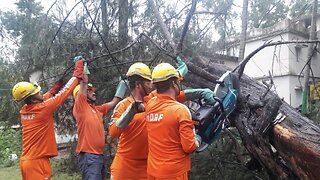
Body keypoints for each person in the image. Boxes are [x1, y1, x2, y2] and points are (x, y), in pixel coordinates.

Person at [11, 58, 85, 180]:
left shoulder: (25, 109)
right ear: (34, 99)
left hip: (30, 161)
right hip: (36, 163)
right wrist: (77, 74)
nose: (41, 93)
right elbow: (64, 93)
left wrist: (55, 87)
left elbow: (45, 98)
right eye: (38, 92)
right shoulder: (42, 109)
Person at [145, 62, 213, 180]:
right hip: (174, 173)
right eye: (178, 80)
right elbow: (190, 147)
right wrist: (197, 137)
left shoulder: (150, 105)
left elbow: (161, 95)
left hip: (153, 171)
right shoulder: (180, 111)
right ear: (173, 83)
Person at [72, 58, 127, 180]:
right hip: (89, 156)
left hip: (99, 155)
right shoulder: (80, 107)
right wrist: (81, 68)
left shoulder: (98, 109)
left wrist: (123, 85)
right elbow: (83, 84)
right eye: (89, 91)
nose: (94, 93)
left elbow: (114, 102)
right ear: (81, 95)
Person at [108, 62, 153, 180]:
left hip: (148, 167)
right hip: (125, 168)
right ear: (138, 84)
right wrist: (131, 112)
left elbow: (169, 93)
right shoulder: (123, 105)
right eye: (148, 82)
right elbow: (113, 132)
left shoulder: (152, 101)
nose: (151, 85)